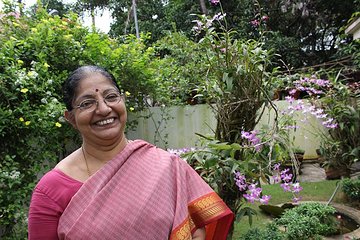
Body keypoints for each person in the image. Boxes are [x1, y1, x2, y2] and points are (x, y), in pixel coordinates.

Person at [28, 65, 234, 240]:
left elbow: (196, 230)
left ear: (123, 101)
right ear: (71, 118)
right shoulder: (51, 190)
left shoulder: (166, 167)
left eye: (111, 97)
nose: (103, 109)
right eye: (87, 103)